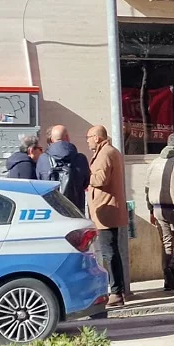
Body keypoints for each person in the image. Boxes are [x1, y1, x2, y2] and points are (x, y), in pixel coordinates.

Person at [144, 133, 174, 291]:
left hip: (158, 209)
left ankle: (168, 281)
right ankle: (172, 267)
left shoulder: (154, 163)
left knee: (167, 243)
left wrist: (151, 210)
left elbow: (147, 189)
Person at [86, 126, 127, 307]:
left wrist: (86, 176)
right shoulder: (110, 151)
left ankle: (116, 292)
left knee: (109, 253)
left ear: (96, 137)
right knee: (111, 252)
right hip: (108, 209)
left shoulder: (105, 154)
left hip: (106, 210)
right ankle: (116, 290)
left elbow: (101, 179)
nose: (87, 140)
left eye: (88, 137)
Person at [37, 125, 90, 212]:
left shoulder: (43, 159)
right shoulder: (80, 158)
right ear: (67, 137)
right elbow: (86, 183)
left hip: (51, 209)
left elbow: (40, 181)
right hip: (76, 208)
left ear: (51, 139)